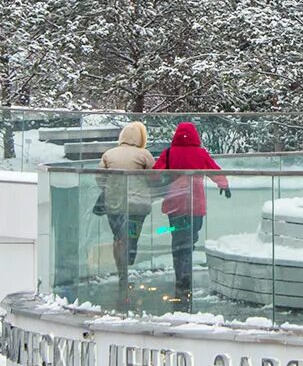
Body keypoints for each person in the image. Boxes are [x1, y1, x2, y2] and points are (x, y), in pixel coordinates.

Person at [153, 121, 231, 305]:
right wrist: (224, 184)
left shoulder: (169, 153)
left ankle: (182, 274)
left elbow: (155, 173)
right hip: (196, 204)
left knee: (178, 239)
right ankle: (187, 261)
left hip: (175, 203)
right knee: (191, 236)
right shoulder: (200, 153)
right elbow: (214, 169)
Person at [99, 121, 155, 295]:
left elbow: (100, 179)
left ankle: (122, 272)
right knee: (132, 236)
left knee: (118, 237)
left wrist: (110, 189)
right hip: (137, 205)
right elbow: (155, 177)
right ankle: (129, 258)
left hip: (114, 204)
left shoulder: (109, 154)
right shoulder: (144, 155)